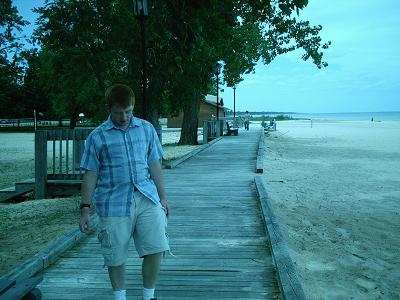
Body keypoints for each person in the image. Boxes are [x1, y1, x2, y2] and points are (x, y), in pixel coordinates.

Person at [79, 84, 170, 300]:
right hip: (113, 202)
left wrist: (163, 197)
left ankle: (149, 296)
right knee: (115, 255)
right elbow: (90, 174)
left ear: (133, 106)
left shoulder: (147, 129)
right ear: (109, 108)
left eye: (128, 111)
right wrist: (84, 209)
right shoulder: (97, 136)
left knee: (156, 246)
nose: (124, 117)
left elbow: (154, 164)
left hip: (147, 197)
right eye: (119, 113)